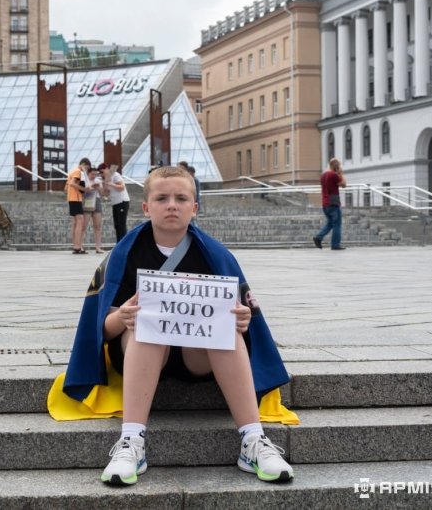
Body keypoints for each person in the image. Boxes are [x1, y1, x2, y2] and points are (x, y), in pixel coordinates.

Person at [56, 166, 294, 486]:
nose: (172, 205)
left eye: (181, 198)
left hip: (196, 357)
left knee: (225, 329)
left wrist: (243, 320)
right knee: (146, 325)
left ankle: (253, 441)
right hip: (141, 352)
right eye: (162, 198)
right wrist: (121, 317)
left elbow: (246, 320)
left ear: (194, 208)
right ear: (146, 207)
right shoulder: (123, 254)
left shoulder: (215, 255)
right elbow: (100, 330)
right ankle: (131, 442)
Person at [313, 157, 347, 251]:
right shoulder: (333, 175)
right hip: (333, 203)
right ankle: (335, 245)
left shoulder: (323, 175)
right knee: (337, 224)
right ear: (336, 166)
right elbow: (344, 184)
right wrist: (341, 173)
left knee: (330, 223)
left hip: (325, 203)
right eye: (339, 166)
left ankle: (318, 238)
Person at [67, 157, 92, 254]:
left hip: (72, 198)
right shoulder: (77, 171)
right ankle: (77, 246)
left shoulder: (72, 171)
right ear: (84, 165)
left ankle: (76, 245)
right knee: (80, 221)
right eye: (86, 168)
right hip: (75, 199)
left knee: (75, 222)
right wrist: (84, 189)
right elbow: (73, 184)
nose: (86, 170)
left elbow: (67, 186)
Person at [100, 163, 130, 242]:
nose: (101, 174)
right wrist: (104, 186)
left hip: (122, 201)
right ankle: (119, 242)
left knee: (121, 224)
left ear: (106, 169)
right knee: (117, 225)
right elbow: (106, 194)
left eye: (102, 172)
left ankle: (123, 243)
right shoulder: (106, 179)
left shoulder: (115, 175)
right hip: (115, 203)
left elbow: (121, 187)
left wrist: (111, 184)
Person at [81, 167, 104, 254]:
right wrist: (89, 187)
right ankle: (81, 246)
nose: (94, 176)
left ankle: (98, 247)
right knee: (84, 225)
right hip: (88, 200)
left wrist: (98, 188)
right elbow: (82, 191)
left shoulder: (98, 181)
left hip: (97, 201)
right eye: (92, 174)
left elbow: (102, 194)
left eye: (95, 174)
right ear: (88, 173)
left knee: (97, 225)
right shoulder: (85, 180)